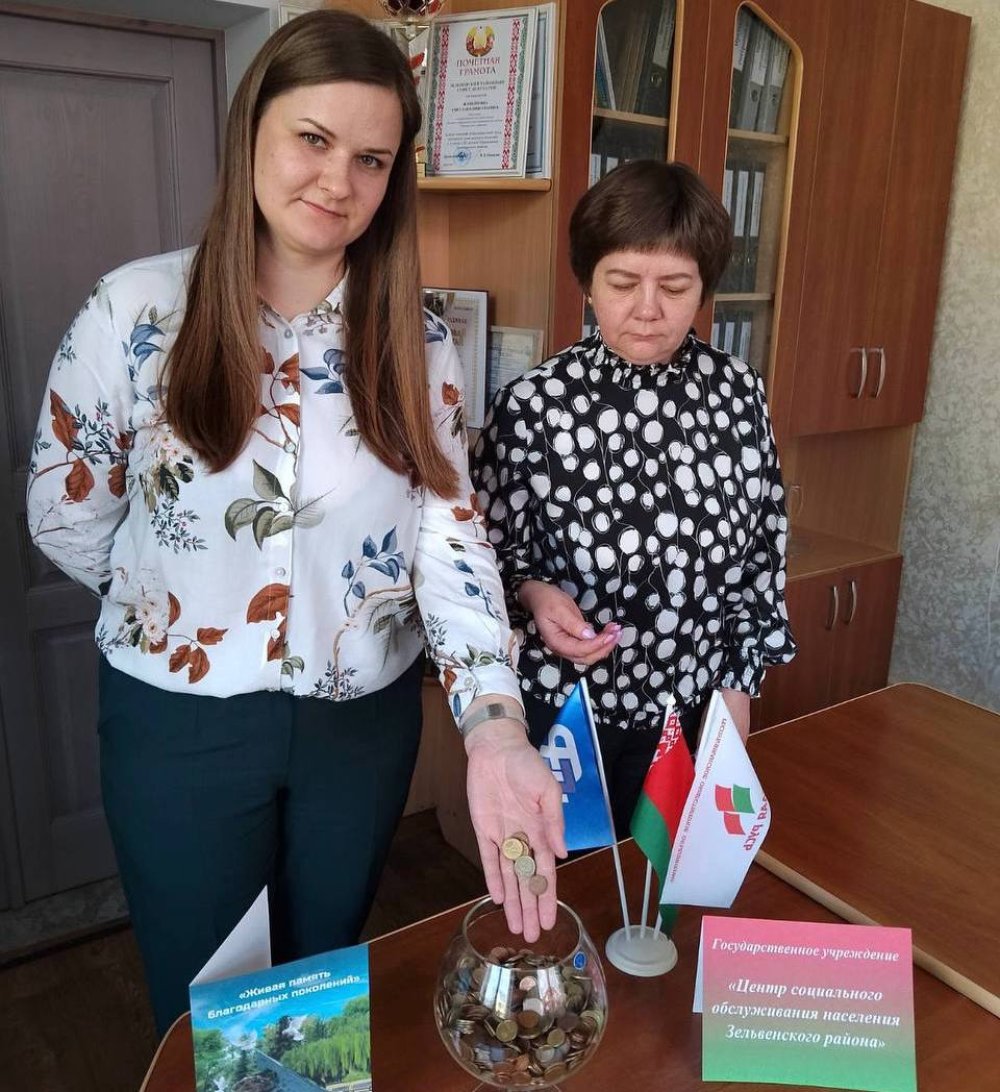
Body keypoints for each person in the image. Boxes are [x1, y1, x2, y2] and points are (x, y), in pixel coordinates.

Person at [26, 9, 563, 1035]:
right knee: (211, 1009)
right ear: (253, 131)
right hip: (179, 722)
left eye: (371, 159)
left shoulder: (417, 339)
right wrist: (180, 600)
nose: (337, 181)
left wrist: (494, 725)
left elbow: (449, 537)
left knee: (316, 1000)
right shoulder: (135, 312)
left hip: (358, 728)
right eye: (312, 139)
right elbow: (65, 510)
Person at [472, 160, 796, 838]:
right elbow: (483, 564)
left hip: (693, 712)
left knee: (670, 883)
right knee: (575, 882)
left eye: (675, 287)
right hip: (566, 717)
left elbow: (761, 560)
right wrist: (534, 593)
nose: (648, 308)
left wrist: (736, 695)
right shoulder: (532, 406)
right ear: (588, 283)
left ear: (703, 288)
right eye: (623, 283)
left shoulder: (740, 395)